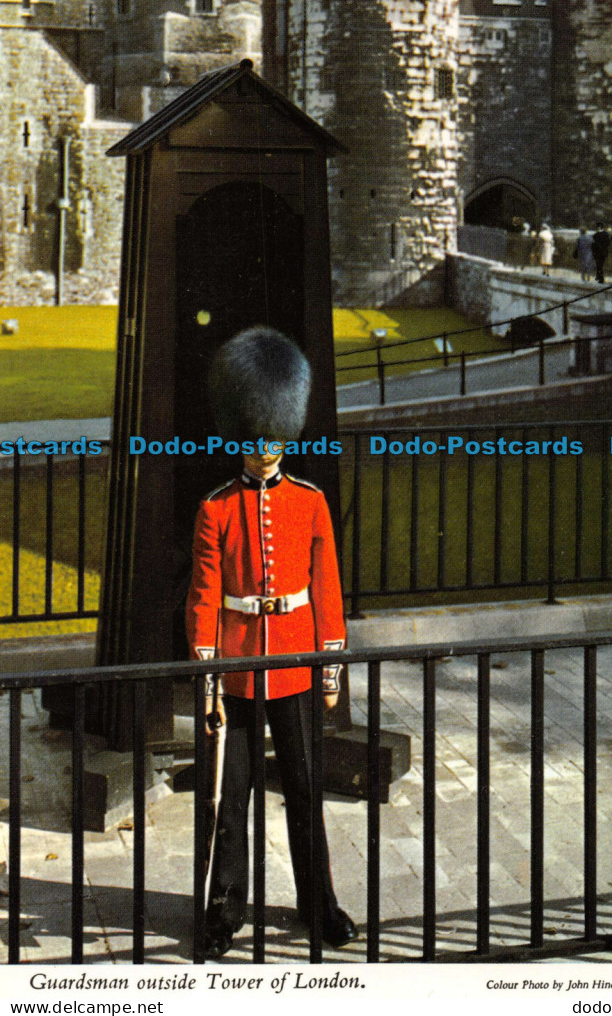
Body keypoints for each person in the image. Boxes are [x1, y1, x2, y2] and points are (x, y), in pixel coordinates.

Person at [186, 326, 358, 959]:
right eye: (255, 437)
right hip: (235, 669)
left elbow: (327, 592)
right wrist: (208, 679)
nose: (263, 450)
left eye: (273, 437)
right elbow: (204, 599)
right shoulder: (216, 509)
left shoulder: (310, 503)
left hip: (296, 663)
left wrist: (331, 669)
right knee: (229, 796)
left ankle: (320, 903)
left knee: (306, 790)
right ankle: (224, 907)